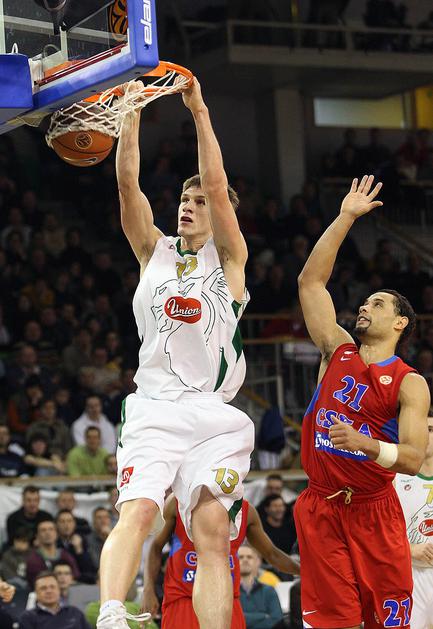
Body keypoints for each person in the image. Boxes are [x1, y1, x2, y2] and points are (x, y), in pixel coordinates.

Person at [96, 77, 254, 629]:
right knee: (139, 509)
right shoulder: (153, 251)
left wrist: (199, 110)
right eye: (185, 199)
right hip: (157, 406)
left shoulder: (229, 259)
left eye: (200, 201)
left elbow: (217, 181)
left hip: (214, 414)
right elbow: (127, 184)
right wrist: (131, 110)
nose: (189, 205)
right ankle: (111, 614)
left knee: (212, 532)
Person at [295, 174, 431, 628]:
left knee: (387, 621)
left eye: (377, 304)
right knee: (334, 621)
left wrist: (365, 444)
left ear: (400, 323)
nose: (364, 308)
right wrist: (345, 217)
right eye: (365, 302)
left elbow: (412, 459)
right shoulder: (337, 350)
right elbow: (311, 283)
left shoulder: (409, 383)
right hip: (321, 504)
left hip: (375, 508)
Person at [143, 496, 299, 628]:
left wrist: (305, 571)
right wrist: (148, 590)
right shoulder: (178, 501)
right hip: (184, 599)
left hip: (227, 601)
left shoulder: (246, 511)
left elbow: (272, 554)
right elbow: (156, 547)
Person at [395, 409, 433, 629]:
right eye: (421, 429)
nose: (425, 435)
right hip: (410, 572)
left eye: (431, 429)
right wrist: (408, 549)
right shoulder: (394, 479)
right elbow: (377, 534)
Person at [19, 571, 91, 629]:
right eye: (43, 588)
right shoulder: (28, 618)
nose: (49, 591)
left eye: (52, 587)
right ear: (36, 593)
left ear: (59, 590)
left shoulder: (75, 612)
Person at [239, 545, 284, 629]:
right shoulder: (228, 593)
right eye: (240, 557)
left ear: (258, 562)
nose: (245, 560)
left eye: (249, 557)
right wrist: (262, 616)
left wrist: (243, 618)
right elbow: (230, 619)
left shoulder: (269, 590)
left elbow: (277, 619)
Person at [26, 519, 79, 588]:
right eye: (43, 530)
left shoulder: (66, 555)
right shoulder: (33, 559)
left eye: (51, 529)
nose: (47, 533)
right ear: (37, 536)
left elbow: (75, 576)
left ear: (57, 534)